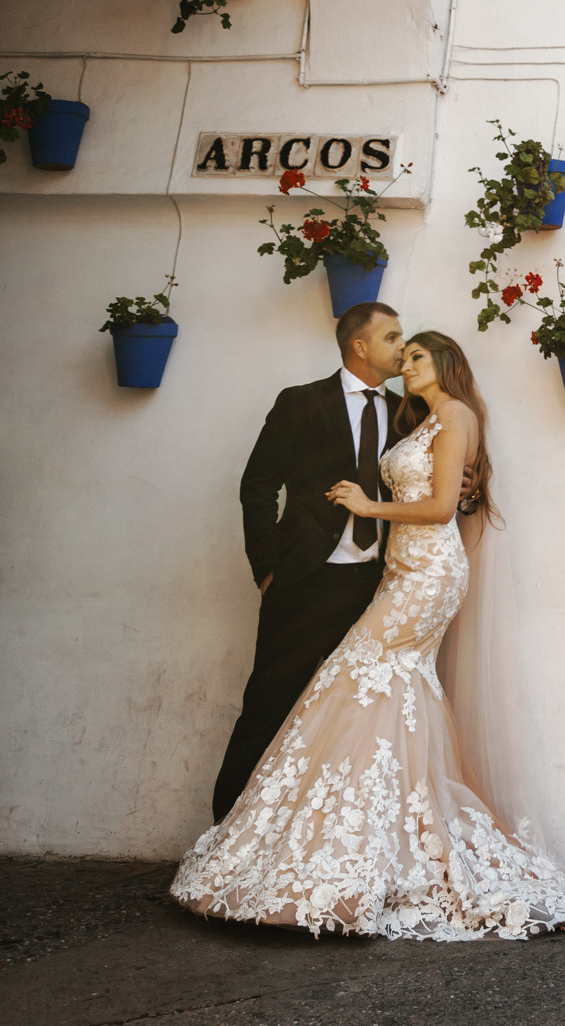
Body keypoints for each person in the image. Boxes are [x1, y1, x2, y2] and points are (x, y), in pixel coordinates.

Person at [173, 332, 565, 940]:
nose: (405, 363)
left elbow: (441, 507)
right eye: (402, 352)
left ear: (444, 363)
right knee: (390, 693)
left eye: (416, 355)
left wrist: (369, 509)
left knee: (355, 676)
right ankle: (381, 847)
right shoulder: (422, 420)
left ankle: (357, 853)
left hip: (428, 575)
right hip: (402, 571)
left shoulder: (457, 415)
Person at [207, 302, 414, 821]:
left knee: (353, 716)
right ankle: (223, 835)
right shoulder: (301, 402)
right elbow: (257, 485)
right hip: (305, 580)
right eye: (391, 337)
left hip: (377, 586)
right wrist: (267, 569)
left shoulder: (407, 411)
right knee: (269, 707)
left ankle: (320, 839)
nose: (403, 348)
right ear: (359, 346)